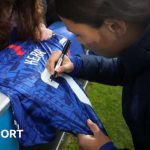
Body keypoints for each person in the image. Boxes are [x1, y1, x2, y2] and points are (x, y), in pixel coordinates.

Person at [47, 0, 150, 149]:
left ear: (115, 27)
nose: (77, 40)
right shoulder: (139, 51)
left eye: (78, 34)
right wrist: (77, 64)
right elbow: (123, 69)